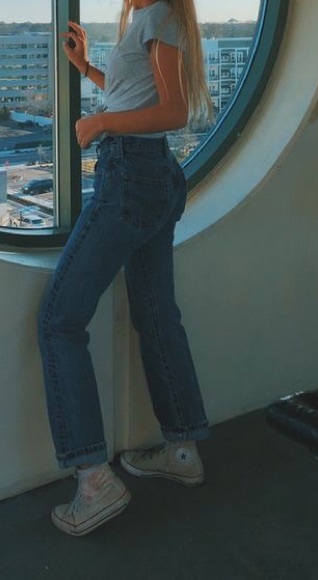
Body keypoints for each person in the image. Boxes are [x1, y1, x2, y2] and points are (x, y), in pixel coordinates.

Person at [38, 0, 213, 537]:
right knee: (158, 316)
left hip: (131, 176)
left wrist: (99, 123)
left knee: (59, 321)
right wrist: (88, 68)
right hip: (153, 174)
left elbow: (174, 111)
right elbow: (138, 94)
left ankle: (95, 480)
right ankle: (182, 449)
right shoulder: (152, 19)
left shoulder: (157, 16)